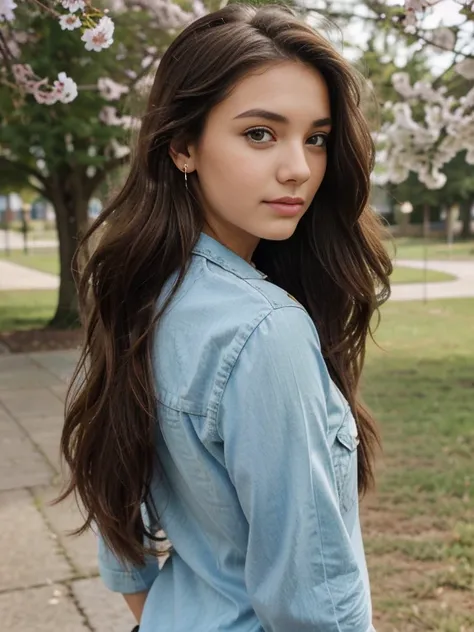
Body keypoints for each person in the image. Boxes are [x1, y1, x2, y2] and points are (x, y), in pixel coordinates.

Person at [58, 3, 392, 631]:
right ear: (183, 145)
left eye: (315, 138)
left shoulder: (138, 290)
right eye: (260, 133)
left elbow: (116, 515)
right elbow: (314, 606)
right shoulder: (266, 330)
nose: (298, 167)